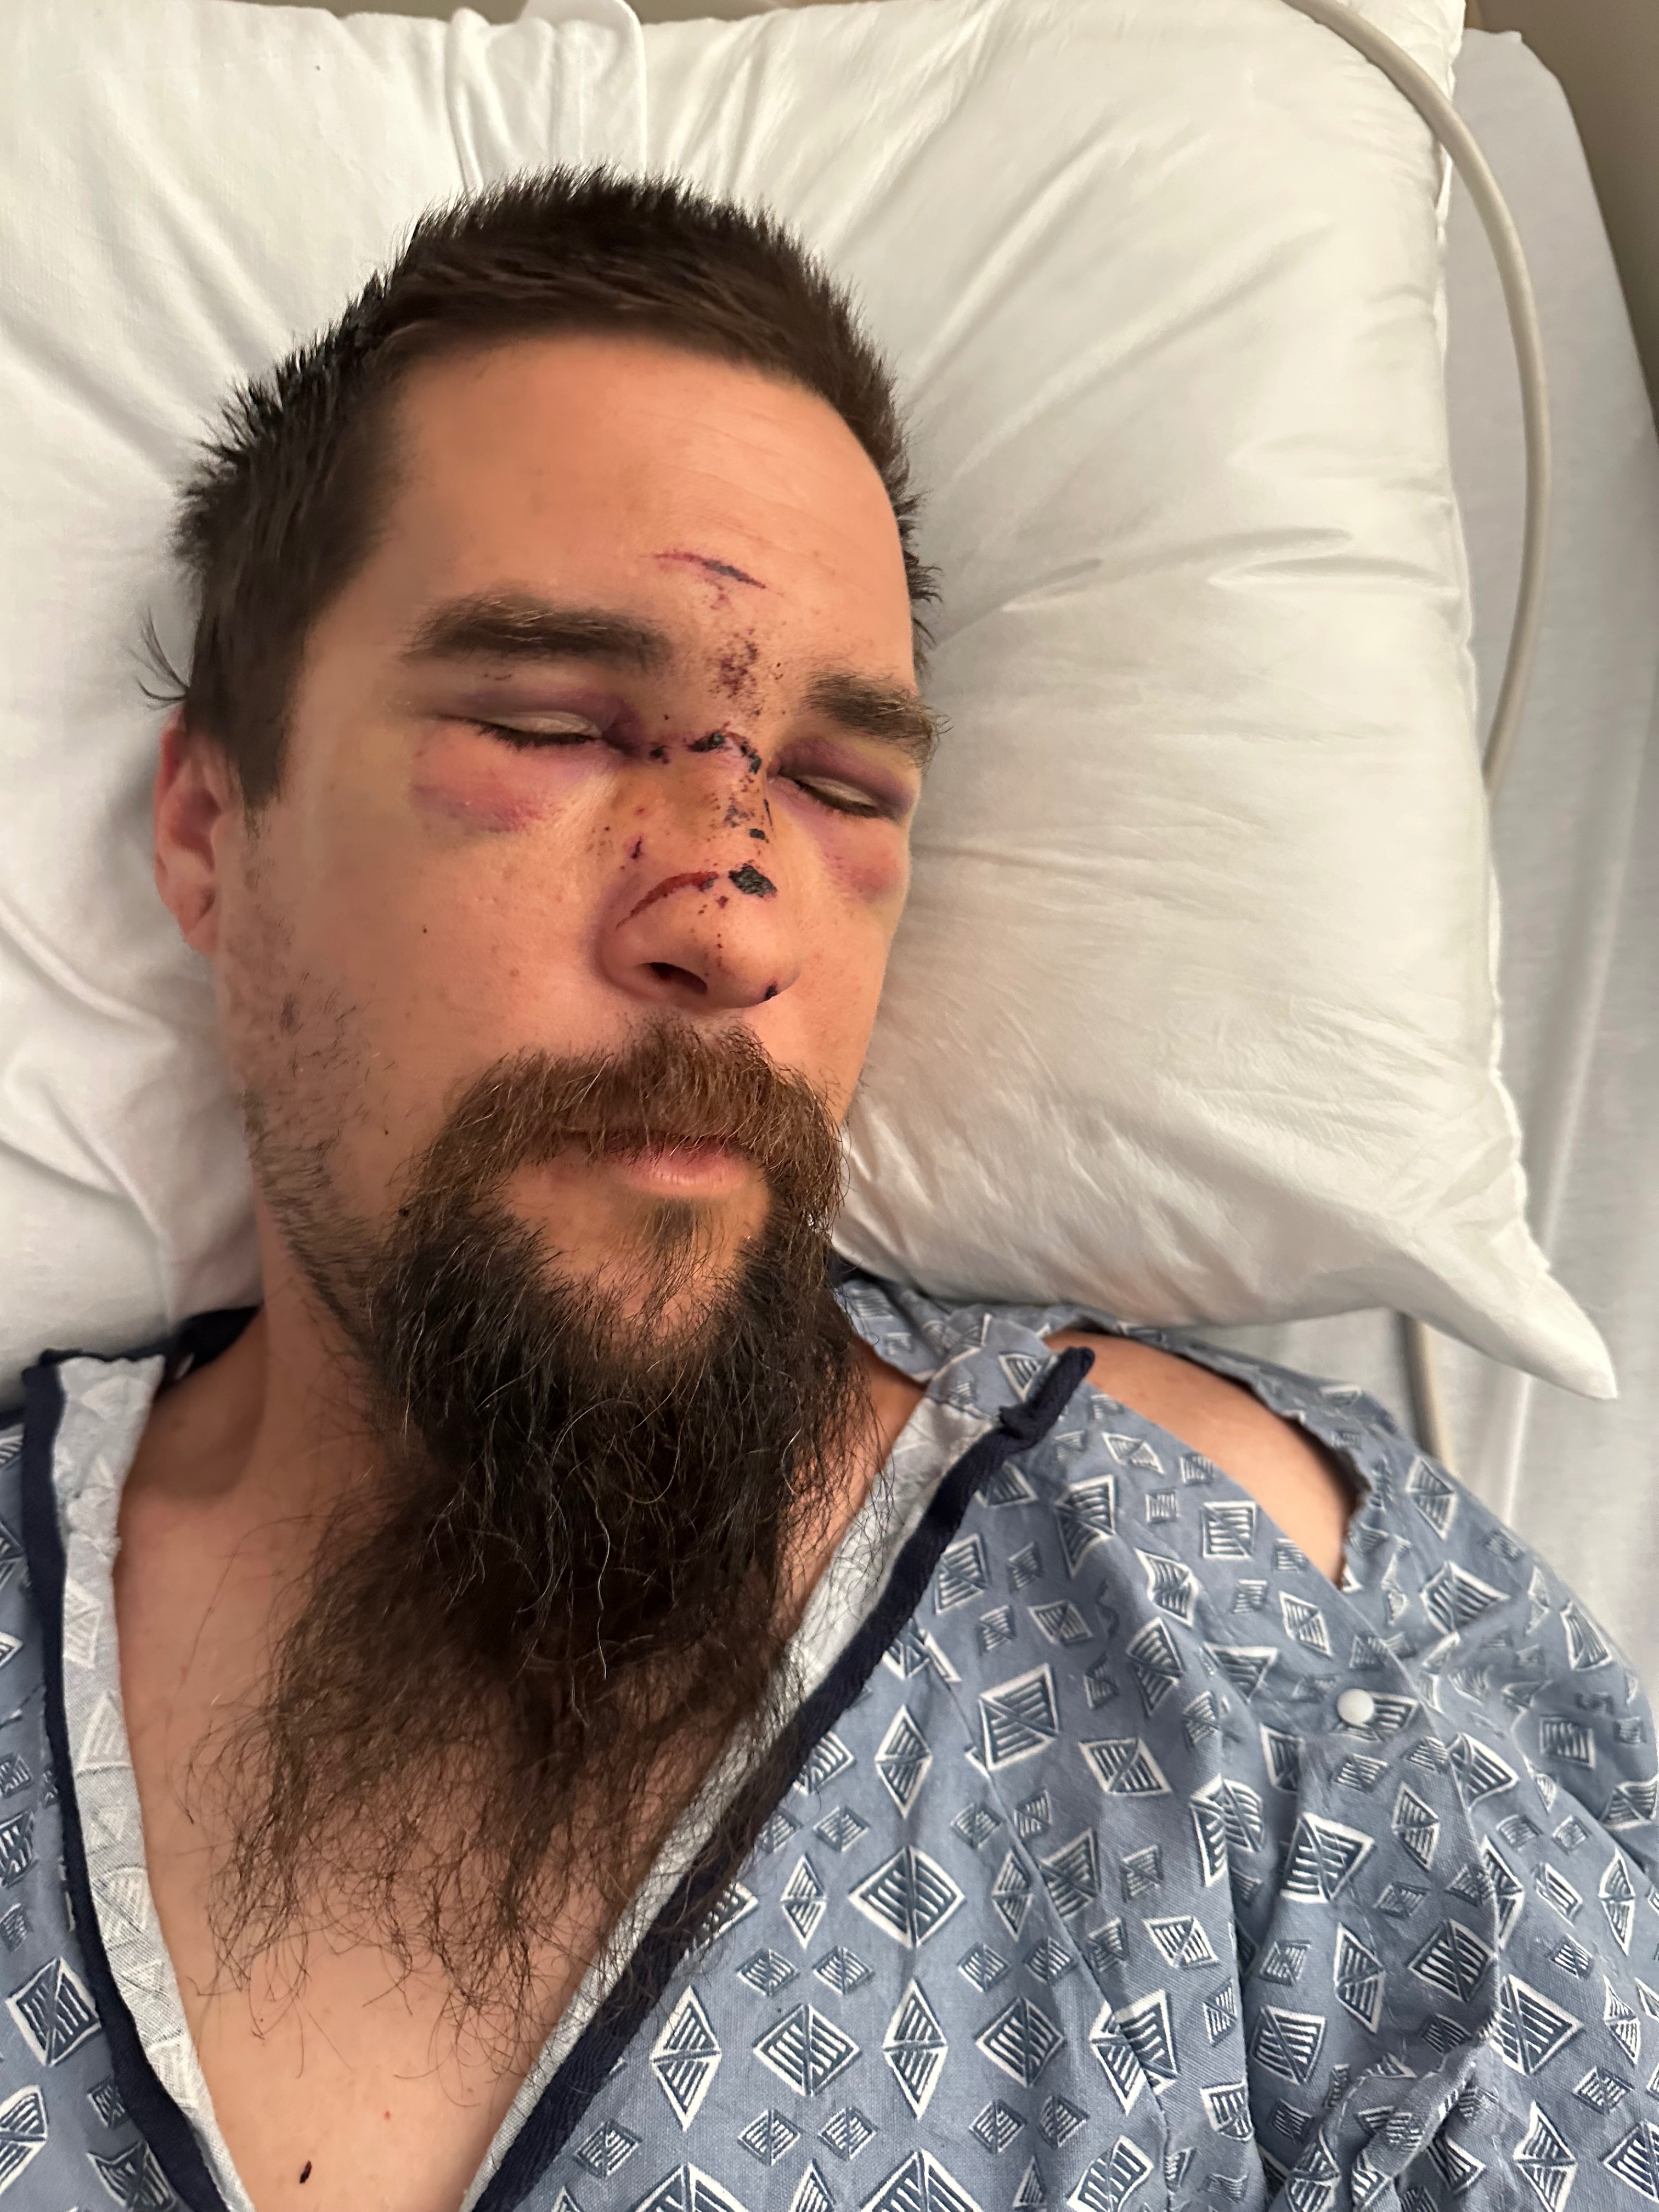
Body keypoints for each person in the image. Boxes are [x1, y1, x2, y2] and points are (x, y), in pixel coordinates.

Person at [5, 168, 1654, 2212]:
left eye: (842, 788)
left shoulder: (1255, 1628)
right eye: (551, 725)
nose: (733, 924)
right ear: (208, 830)